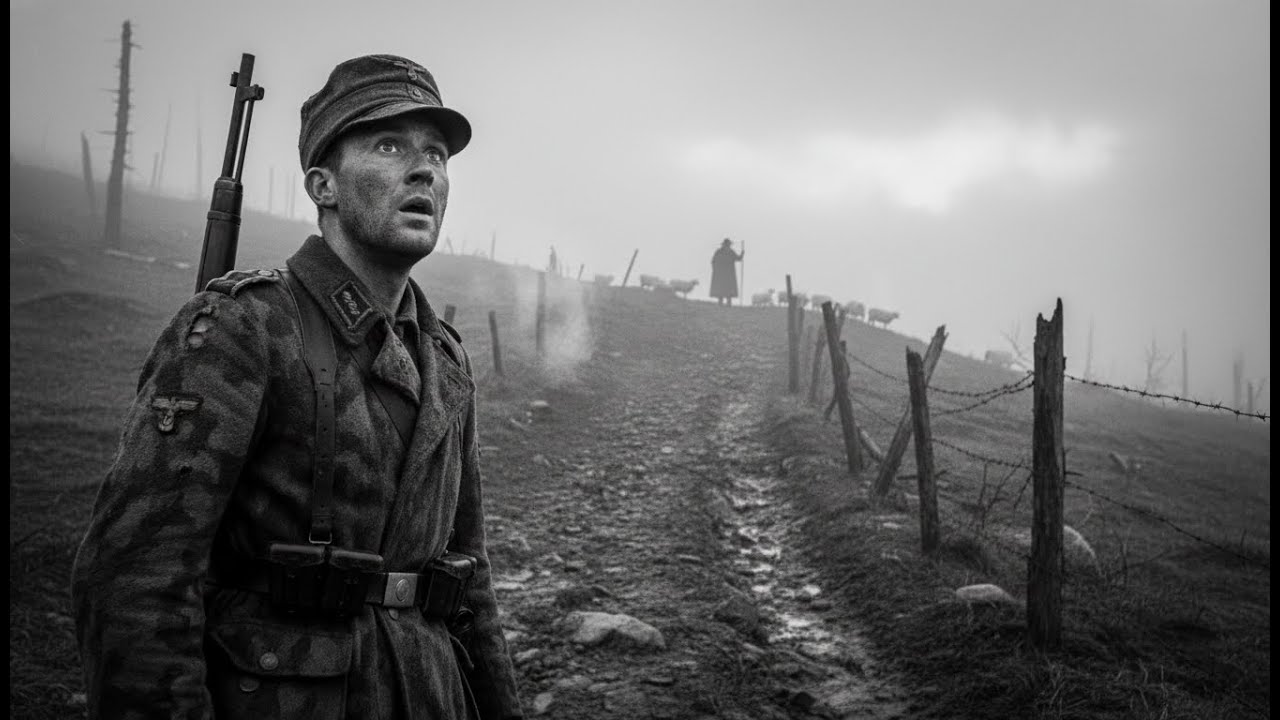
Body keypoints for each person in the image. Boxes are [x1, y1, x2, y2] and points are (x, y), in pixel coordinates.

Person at [70, 54, 524, 720]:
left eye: (438, 154)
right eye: (390, 145)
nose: (426, 168)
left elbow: (468, 582)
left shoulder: (444, 360)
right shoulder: (243, 328)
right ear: (323, 186)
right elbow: (137, 582)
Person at [709, 237, 743, 306]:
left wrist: (742, 254)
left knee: (727, 288)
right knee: (722, 288)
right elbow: (713, 261)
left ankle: (728, 303)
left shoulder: (730, 252)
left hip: (727, 274)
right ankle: (721, 303)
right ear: (724, 245)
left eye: (729, 245)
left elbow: (738, 258)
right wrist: (715, 269)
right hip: (722, 273)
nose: (728, 246)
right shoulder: (719, 251)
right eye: (728, 245)